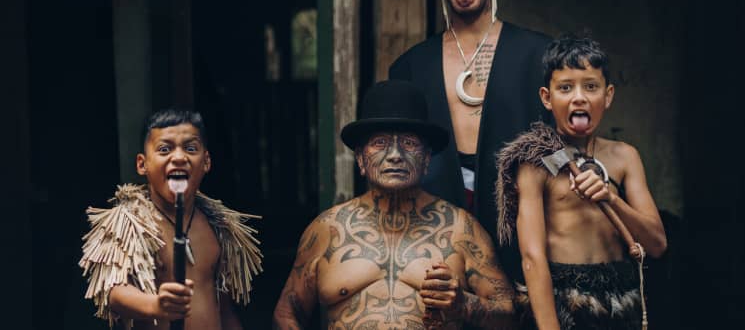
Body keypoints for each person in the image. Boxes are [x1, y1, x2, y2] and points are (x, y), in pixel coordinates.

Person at [272, 80, 515, 329]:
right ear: (360, 159)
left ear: (427, 158)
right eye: (380, 143)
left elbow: (509, 313)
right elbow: (286, 313)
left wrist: (463, 304)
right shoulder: (327, 229)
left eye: (409, 143)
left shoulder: (461, 228)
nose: (396, 154)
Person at [389, 0, 552, 286]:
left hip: (518, 202)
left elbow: (559, 139)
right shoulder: (412, 65)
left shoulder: (537, 53)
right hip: (436, 207)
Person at [495, 35, 668, 329]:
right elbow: (532, 257)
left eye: (591, 86)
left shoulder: (625, 157)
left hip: (620, 304)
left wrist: (611, 198)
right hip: (563, 304)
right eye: (565, 88)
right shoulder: (534, 163)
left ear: (608, 95)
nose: (579, 97)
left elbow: (657, 245)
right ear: (547, 98)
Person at [79, 109, 263, 330]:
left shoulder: (217, 227)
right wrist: (155, 305)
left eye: (190, 148)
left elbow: (223, 308)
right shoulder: (128, 223)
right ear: (142, 164)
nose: (178, 157)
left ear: (206, 162)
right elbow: (115, 291)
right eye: (164, 149)